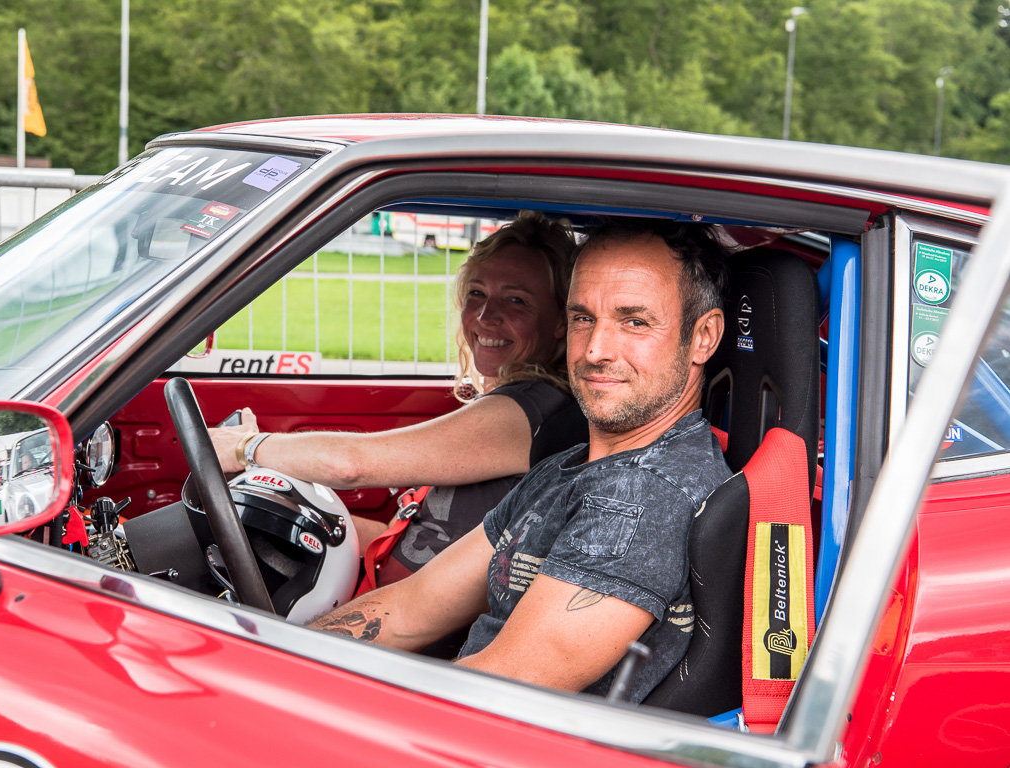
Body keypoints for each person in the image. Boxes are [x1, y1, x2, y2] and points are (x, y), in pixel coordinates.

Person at [306, 219, 734, 702]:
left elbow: (491, 696)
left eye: (634, 322)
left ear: (703, 336)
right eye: (583, 318)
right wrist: (289, 660)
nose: (595, 350)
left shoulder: (642, 499)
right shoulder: (574, 465)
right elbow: (411, 607)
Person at [211, 211, 588, 586]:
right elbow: (406, 537)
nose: (486, 315)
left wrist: (248, 448)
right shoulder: (515, 401)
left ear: (560, 320)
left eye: (517, 301)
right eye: (477, 293)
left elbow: (350, 465)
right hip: (383, 588)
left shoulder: (529, 412)